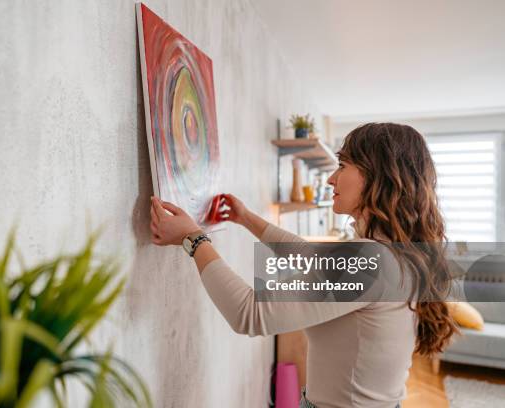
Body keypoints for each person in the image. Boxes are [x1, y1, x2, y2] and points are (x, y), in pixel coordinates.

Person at [149, 122, 457, 408]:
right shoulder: (395, 253)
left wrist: (194, 240)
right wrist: (245, 218)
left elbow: (250, 314)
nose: (332, 178)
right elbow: (310, 257)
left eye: (344, 165)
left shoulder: (370, 262)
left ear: (380, 177)